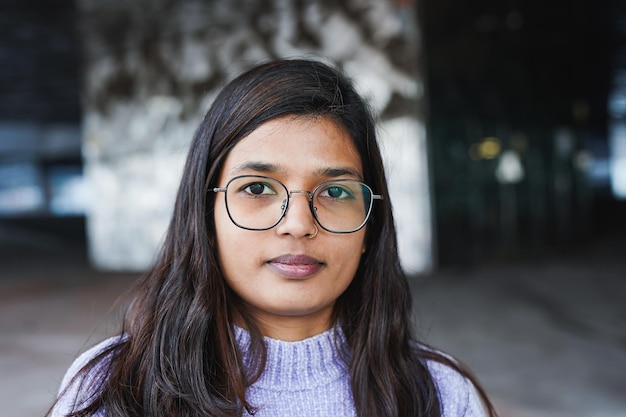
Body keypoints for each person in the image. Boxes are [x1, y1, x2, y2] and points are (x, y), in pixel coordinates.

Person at [49, 58, 497, 417]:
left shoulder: (439, 395)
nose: (299, 224)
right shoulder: (116, 388)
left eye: (335, 191)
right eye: (257, 189)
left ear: (369, 227)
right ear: (205, 216)